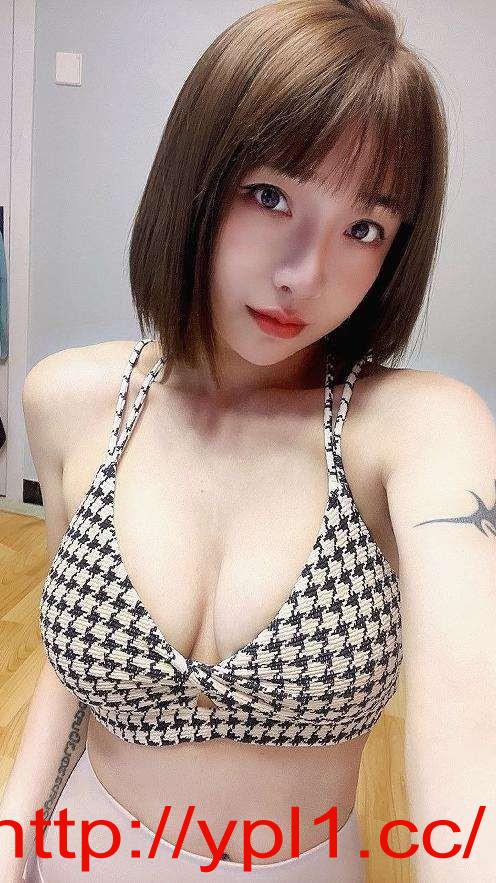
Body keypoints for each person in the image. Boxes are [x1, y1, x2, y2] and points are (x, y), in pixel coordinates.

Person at [2, 0, 494, 880]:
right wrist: (14, 842)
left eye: (364, 228)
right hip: (82, 849)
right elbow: (68, 668)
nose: (305, 272)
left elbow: (471, 731)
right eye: (270, 196)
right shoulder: (70, 397)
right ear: (195, 179)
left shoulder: (417, 429)